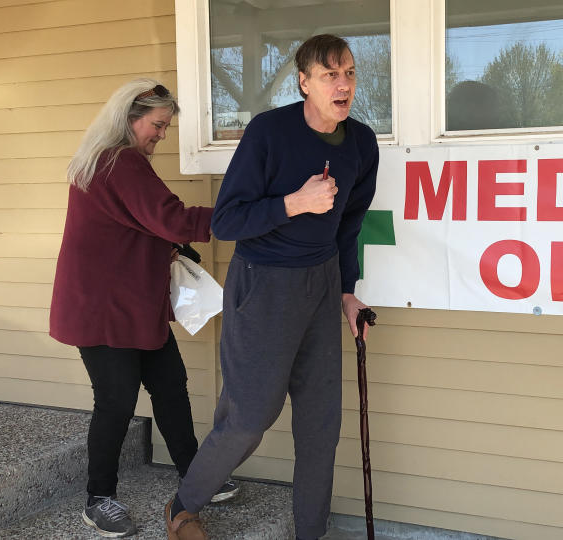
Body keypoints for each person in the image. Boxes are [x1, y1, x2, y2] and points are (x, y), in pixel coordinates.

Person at [164, 34, 379, 540]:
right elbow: (227, 220)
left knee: (321, 422)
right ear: (304, 83)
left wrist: (347, 291)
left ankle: (311, 531)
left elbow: (349, 224)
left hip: (323, 284)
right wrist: (294, 203)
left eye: (348, 72)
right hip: (263, 285)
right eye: (330, 75)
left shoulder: (361, 144)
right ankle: (184, 504)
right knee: (249, 417)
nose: (343, 84)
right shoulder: (269, 133)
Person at [49, 78, 239, 538]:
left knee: (170, 385)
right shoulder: (119, 162)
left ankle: (195, 478)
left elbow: (138, 225)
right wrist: (246, 213)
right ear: (129, 119)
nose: (161, 135)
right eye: (156, 125)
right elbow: (170, 217)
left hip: (133, 302)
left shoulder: (110, 162)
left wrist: (166, 248)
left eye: (166, 127)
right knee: (115, 402)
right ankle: (99, 499)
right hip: (103, 308)